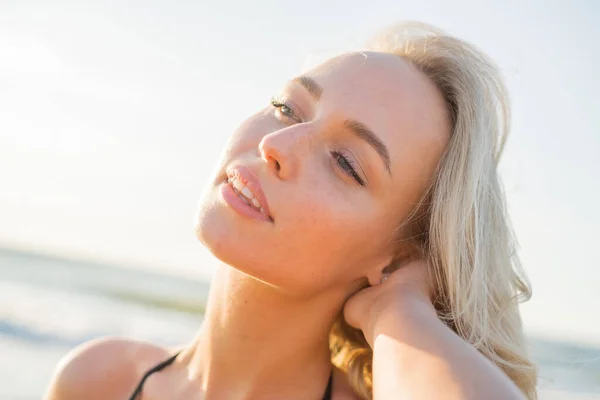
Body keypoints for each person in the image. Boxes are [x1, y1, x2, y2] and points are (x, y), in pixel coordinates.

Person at [44, 21, 537, 400]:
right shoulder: (98, 380)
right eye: (287, 108)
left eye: (345, 162)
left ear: (393, 259)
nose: (276, 143)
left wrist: (402, 313)